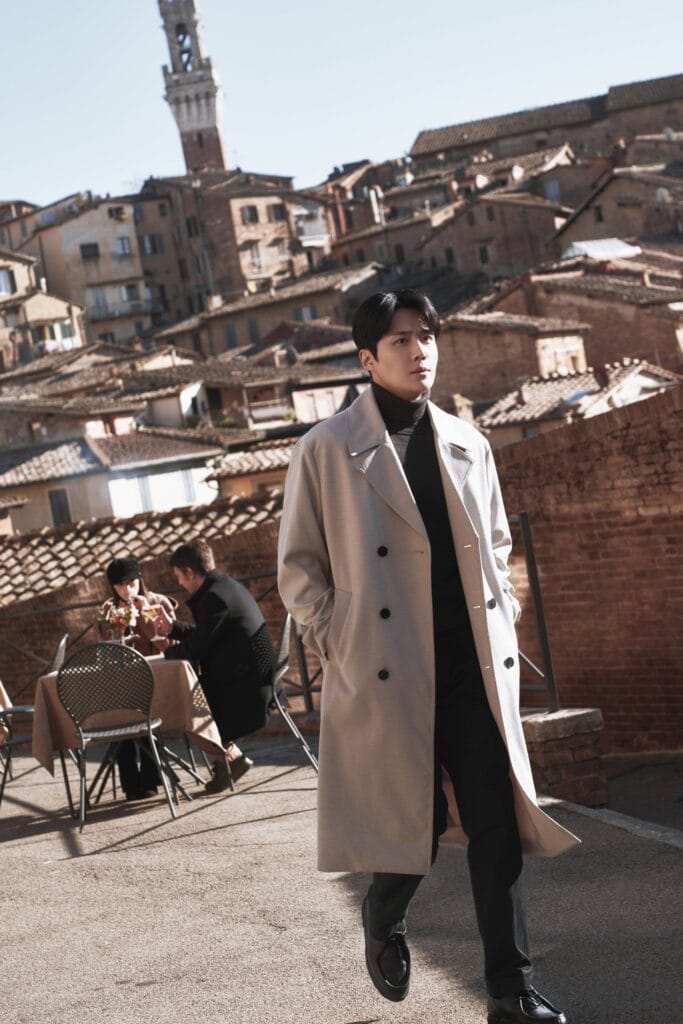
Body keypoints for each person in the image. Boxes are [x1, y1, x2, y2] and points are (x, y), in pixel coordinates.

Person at [277, 289, 578, 1022]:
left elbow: (497, 543)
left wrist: (504, 613)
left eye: (427, 336)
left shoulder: (468, 441)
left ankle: (509, 990)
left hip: (470, 668)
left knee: (495, 826)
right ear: (367, 358)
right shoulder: (325, 449)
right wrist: (340, 637)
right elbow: (299, 570)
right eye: (401, 340)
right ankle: (383, 911)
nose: (419, 351)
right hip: (387, 670)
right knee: (412, 821)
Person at [157, 539, 276, 794]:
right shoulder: (224, 587)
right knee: (192, 697)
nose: (179, 583)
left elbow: (198, 647)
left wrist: (165, 653)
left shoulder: (214, 598)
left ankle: (227, 761)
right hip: (253, 677)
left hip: (248, 690)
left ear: (190, 572)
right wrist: (173, 628)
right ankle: (230, 760)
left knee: (187, 705)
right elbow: (207, 635)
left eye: (179, 577)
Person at [97, 555, 177, 801]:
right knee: (119, 717)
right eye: (119, 586)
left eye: (130, 583)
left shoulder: (158, 602)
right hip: (122, 682)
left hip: (159, 679)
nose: (126, 590)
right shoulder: (107, 610)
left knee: (146, 713)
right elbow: (106, 650)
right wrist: (118, 626)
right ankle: (130, 784)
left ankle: (151, 779)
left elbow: (170, 647)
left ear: (140, 580)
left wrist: (144, 616)